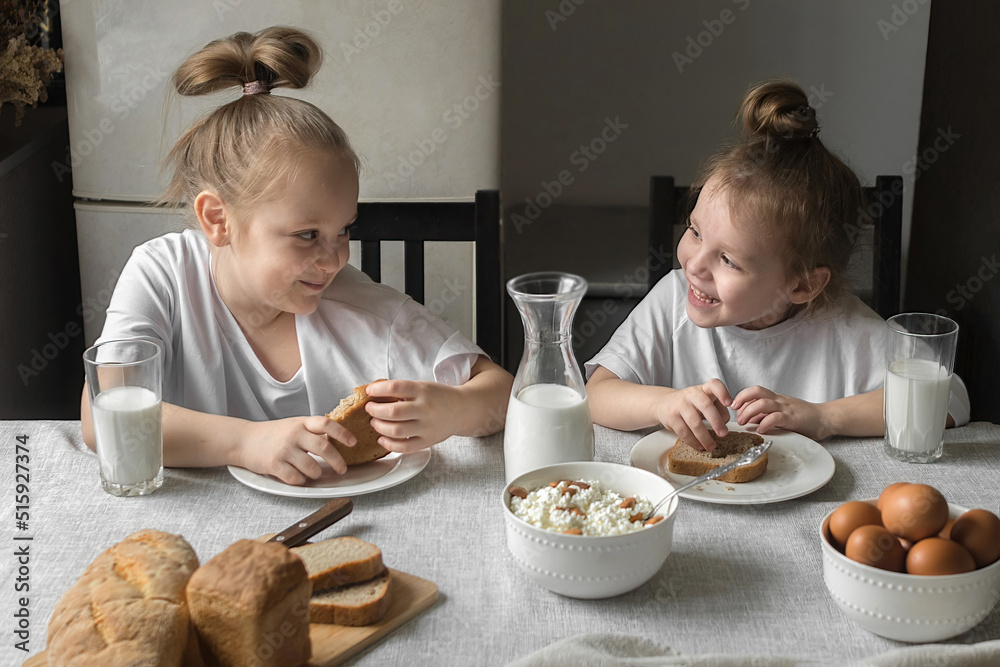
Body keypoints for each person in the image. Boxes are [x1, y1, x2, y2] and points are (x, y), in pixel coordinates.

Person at [80, 26, 512, 484]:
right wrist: (246, 443)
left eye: (344, 229)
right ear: (217, 220)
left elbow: (504, 392)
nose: (335, 259)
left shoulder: (367, 313)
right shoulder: (161, 275)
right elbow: (104, 416)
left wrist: (456, 411)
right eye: (307, 234)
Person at [585, 79, 969, 452]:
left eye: (729, 260)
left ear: (802, 286)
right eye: (695, 232)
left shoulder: (844, 327)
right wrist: (659, 404)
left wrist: (824, 417)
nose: (694, 265)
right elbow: (596, 393)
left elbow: (949, 397)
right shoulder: (671, 300)